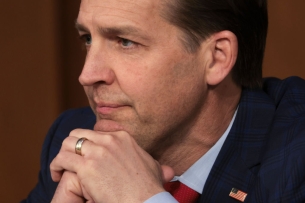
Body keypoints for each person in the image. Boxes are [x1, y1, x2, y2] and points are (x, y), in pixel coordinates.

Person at [22, 0, 305, 202]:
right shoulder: (78, 140)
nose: (87, 75)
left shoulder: (295, 153)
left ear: (217, 58)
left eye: (124, 41)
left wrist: (144, 200)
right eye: (87, 39)